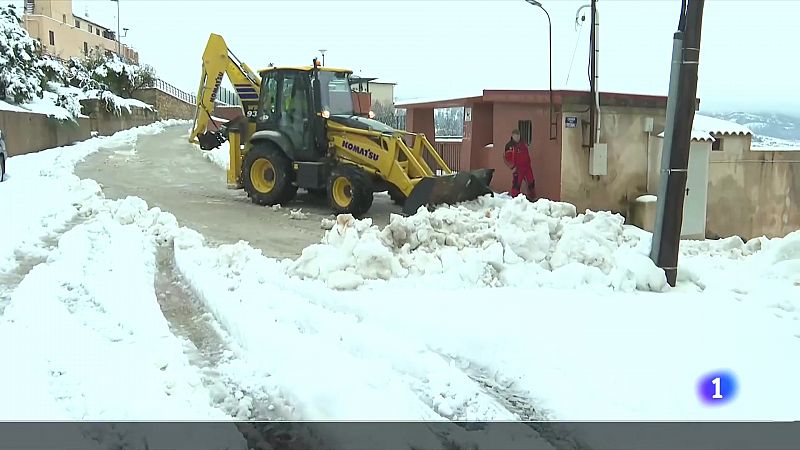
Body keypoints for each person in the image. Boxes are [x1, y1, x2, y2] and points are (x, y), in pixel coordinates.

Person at [503, 129, 536, 200]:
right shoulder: (509, 145)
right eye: (515, 136)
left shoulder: (523, 144)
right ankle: (515, 200)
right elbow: (506, 158)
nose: (517, 137)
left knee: (531, 182)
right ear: (512, 136)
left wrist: (528, 163)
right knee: (516, 185)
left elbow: (526, 154)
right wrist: (512, 166)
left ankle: (532, 198)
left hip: (527, 167)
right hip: (518, 168)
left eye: (518, 136)